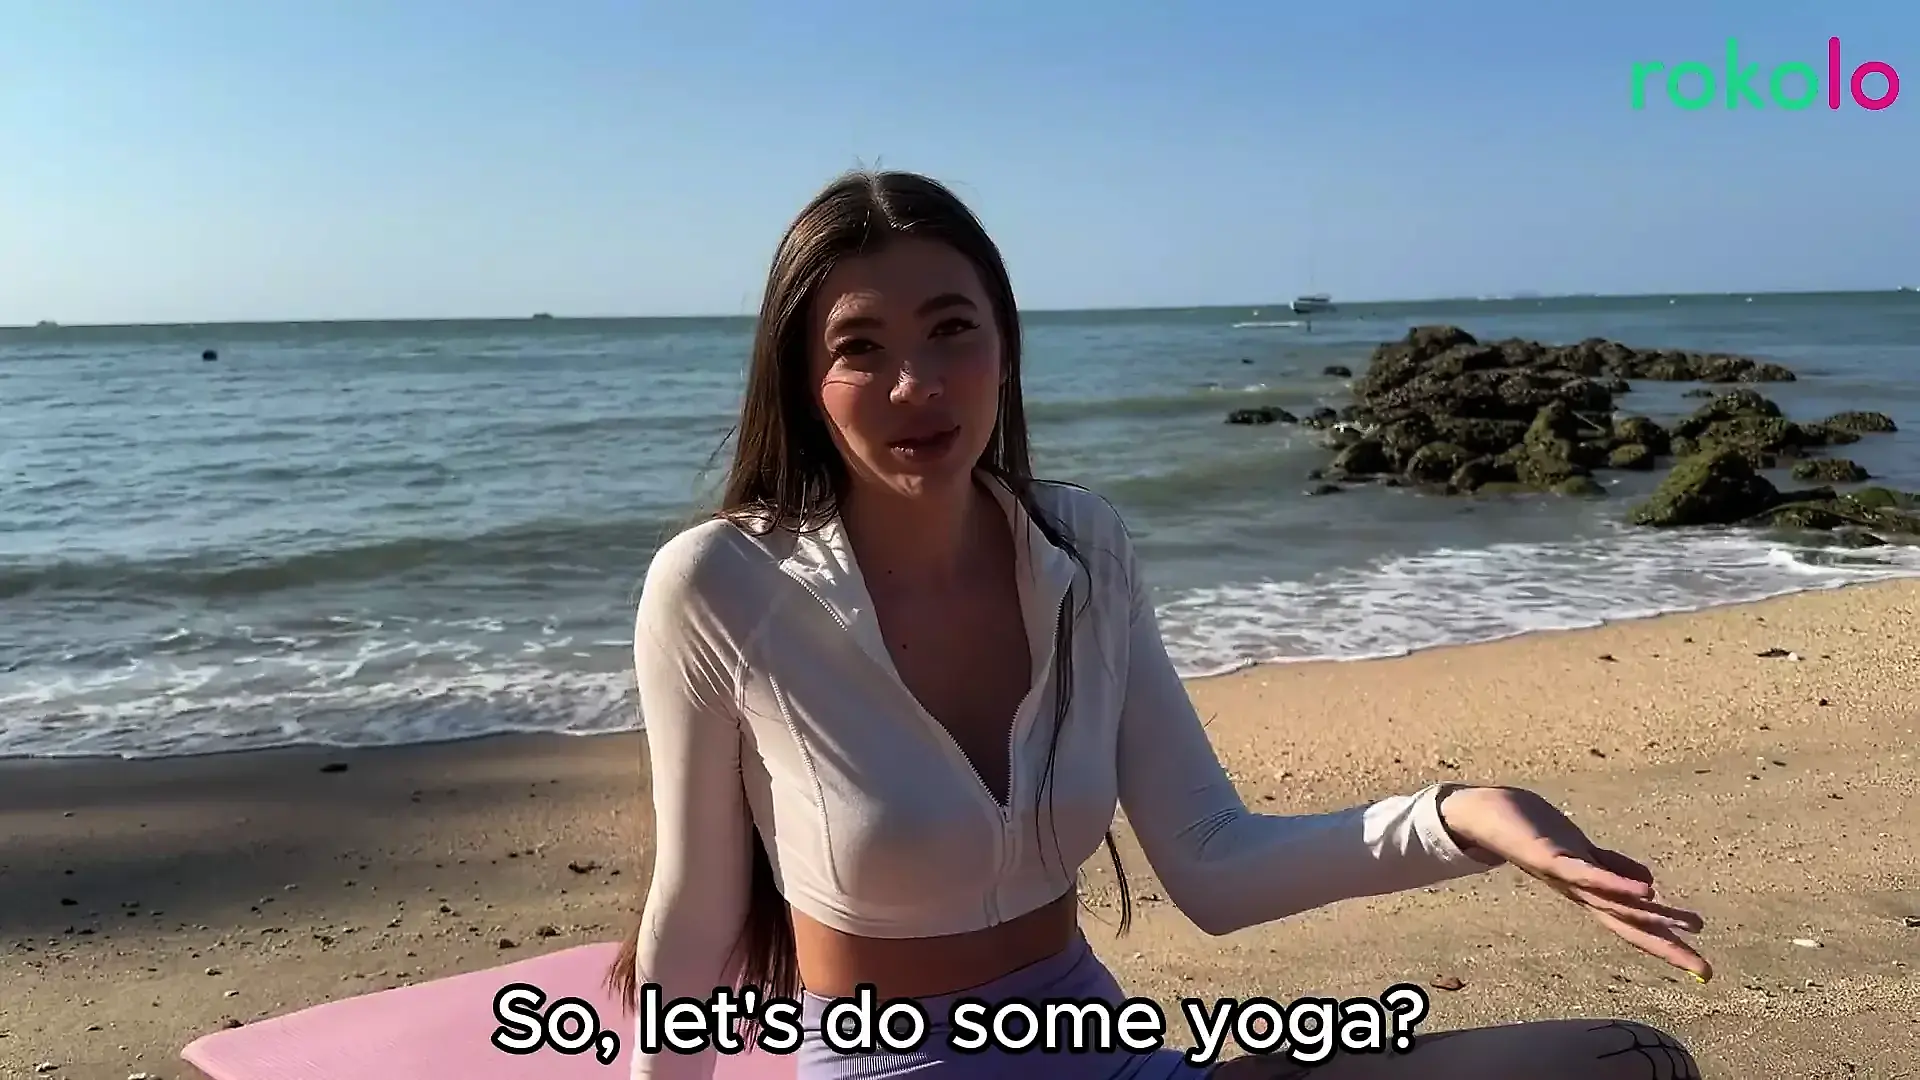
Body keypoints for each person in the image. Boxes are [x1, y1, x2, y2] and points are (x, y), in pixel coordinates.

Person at [609, 170, 1709, 1080]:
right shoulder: (721, 584)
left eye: (952, 331)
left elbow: (1215, 861)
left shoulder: (1083, 551)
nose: (916, 383)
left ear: (1005, 348)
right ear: (804, 378)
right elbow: (693, 921)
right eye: (861, 347)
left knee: (1633, 1063)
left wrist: (1462, 815)